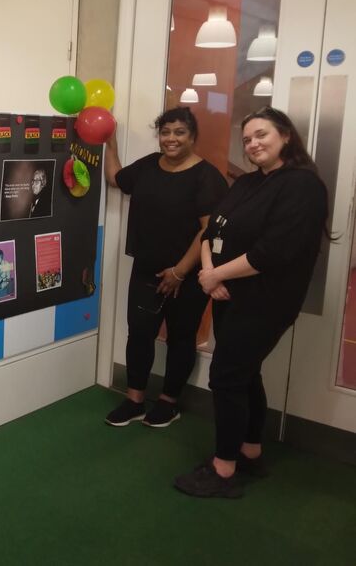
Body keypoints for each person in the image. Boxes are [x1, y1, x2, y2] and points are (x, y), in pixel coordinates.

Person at [174, 107, 329, 498]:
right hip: (226, 293)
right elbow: (211, 231)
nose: (253, 144)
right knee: (245, 374)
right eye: (247, 139)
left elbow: (272, 253)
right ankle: (250, 452)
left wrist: (216, 276)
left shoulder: (302, 186)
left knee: (226, 378)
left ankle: (224, 471)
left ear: (285, 137)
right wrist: (210, 275)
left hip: (265, 302)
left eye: (262, 135)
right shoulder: (246, 184)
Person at [103, 107, 227, 428]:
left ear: (192, 137)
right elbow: (116, 178)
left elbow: (208, 231)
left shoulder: (206, 177)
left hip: (187, 274)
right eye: (166, 132)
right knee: (139, 334)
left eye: (179, 132)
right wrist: (110, 142)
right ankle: (134, 400)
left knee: (181, 338)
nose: (171, 139)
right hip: (147, 269)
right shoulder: (148, 165)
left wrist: (179, 272)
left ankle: (169, 402)